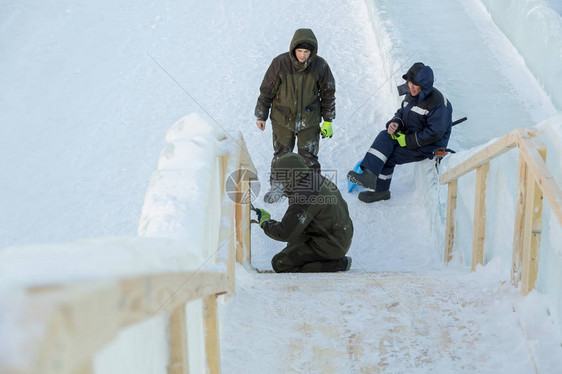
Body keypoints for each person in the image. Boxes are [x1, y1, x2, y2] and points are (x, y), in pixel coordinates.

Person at [347, 62, 453, 203]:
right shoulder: (412, 94)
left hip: (428, 146)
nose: (410, 86)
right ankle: (369, 174)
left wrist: (407, 140)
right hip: (410, 134)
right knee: (385, 135)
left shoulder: (438, 104)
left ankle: (381, 191)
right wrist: (396, 122)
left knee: (390, 154)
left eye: (415, 84)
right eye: (409, 82)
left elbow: (435, 134)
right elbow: (402, 112)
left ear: (425, 86)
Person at [255, 28, 336, 203]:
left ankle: (313, 190)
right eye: (299, 51)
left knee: (309, 156)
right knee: (282, 154)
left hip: (310, 119)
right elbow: (266, 90)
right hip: (282, 119)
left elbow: (328, 93)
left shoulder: (320, 66)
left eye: (306, 51)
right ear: (293, 49)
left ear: (312, 51)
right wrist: (261, 115)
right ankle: (278, 187)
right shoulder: (280, 63)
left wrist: (328, 121)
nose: (303, 55)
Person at [254, 153, 353, 273]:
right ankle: (327, 258)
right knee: (292, 245)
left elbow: (286, 233)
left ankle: (335, 265)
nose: (277, 181)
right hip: (338, 235)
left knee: (280, 263)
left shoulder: (305, 194)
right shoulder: (313, 179)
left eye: (280, 177)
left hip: (331, 243)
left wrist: (265, 223)